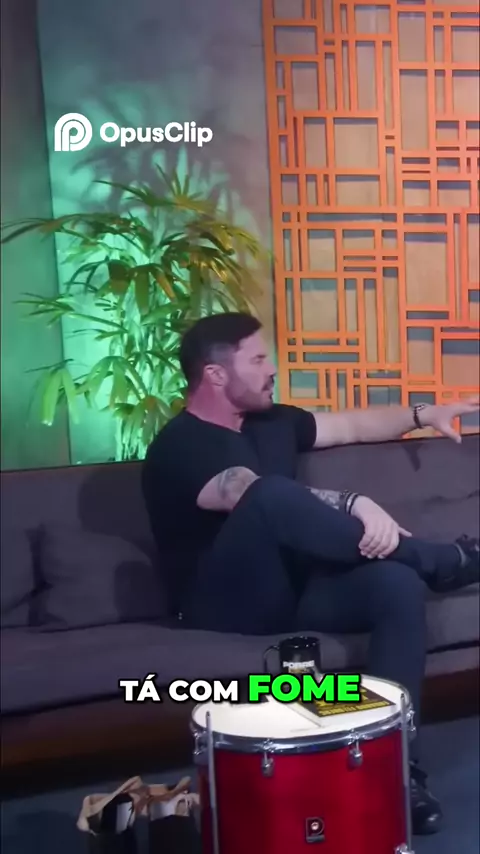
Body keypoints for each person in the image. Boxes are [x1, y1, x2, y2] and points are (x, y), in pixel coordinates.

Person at [142, 311, 480, 837]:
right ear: (215, 374)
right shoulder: (178, 445)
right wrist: (354, 501)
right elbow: (245, 494)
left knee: (394, 585)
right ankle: (443, 560)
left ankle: (397, 767)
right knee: (267, 493)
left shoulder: (273, 421)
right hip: (222, 602)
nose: (272, 369)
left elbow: (353, 425)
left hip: (295, 590)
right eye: (258, 359)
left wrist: (423, 412)